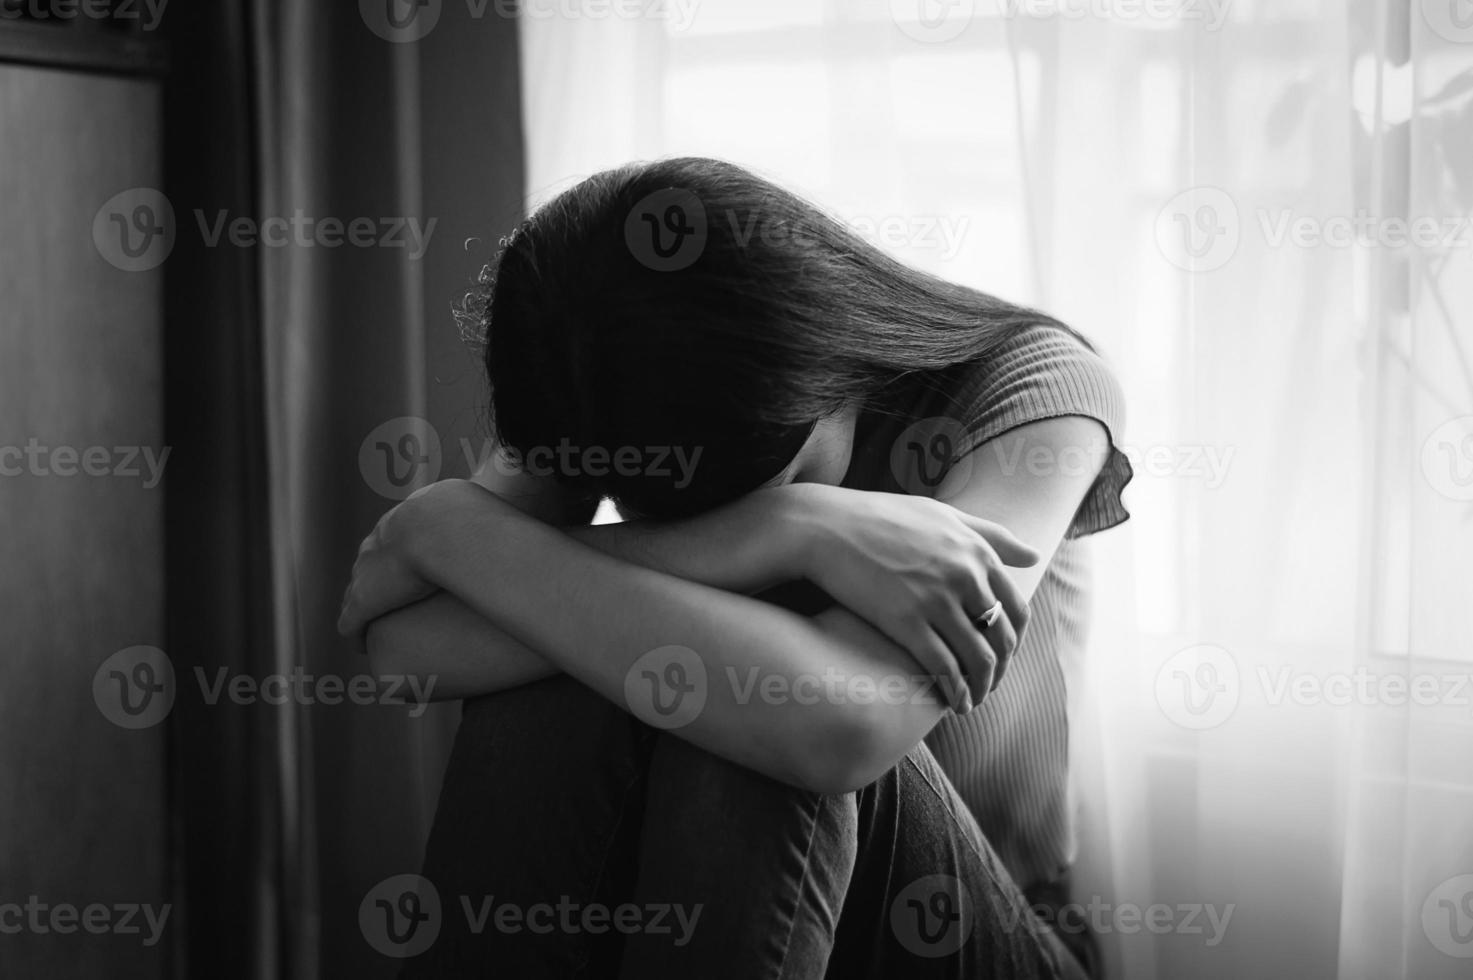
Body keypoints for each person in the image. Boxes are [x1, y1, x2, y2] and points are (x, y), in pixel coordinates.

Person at [339, 157, 1132, 978]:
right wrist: (788, 525)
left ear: (822, 355)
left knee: (746, 702)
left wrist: (457, 532)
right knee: (589, 669)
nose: (709, 519)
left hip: (973, 934)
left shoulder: (1037, 388)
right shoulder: (607, 371)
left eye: (760, 493)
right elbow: (407, 649)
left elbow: (842, 728)